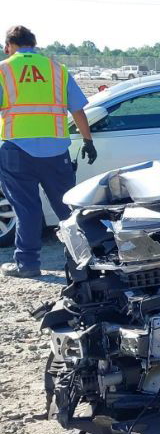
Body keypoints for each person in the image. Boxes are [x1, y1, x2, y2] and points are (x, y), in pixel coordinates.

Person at [0, 25, 96, 278]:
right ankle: (81, 264)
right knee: (67, 209)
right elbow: (78, 110)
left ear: (9, 45)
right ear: (34, 44)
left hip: (17, 149)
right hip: (56, 151)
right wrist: (88, 140)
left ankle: (28, 265)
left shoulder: (3, 69)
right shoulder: (57, 70)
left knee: (27, 210)